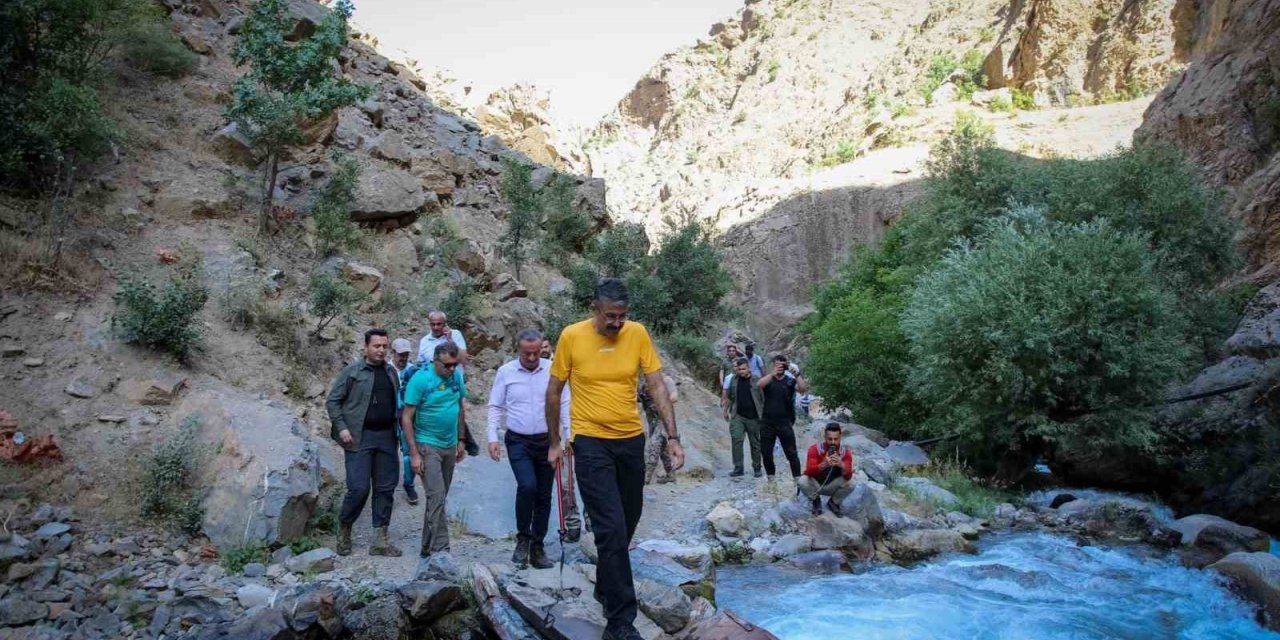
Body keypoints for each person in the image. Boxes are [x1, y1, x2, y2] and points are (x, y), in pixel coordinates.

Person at [546, 278, 684, 640]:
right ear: (595, 308)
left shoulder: (637, 334)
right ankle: (620, 621)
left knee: (629, 521)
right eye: (610, 316)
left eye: (622, 316)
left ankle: (606, 584)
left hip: (630, 441)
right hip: (590, 441)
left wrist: (673, 437)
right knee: (610, 528)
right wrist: (555, 441)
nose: (617, 323)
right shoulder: (571, 337)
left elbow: (655, 385)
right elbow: (554, 390)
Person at [487, 329, 572, 569]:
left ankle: (538, 546)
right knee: (527, 486)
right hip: (518, 441)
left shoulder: (553, 369)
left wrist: (569, 435)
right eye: (527, 354)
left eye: (536, 353)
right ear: (518, 350)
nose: (532, 358)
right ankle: (523, 538)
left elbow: (565, 402)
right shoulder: (506, 372)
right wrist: (492, 437)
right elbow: (495, 405)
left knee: (544, 494)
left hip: (548, 440)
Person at [324, 329, 403, 557]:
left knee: (385, 488)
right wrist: (342, 428)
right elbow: (333, 401)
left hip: (387, 437)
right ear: (366, 347)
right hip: (359, 437)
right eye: (376, 346)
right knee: (358, 488)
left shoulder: (391, 372)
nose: (380, 350)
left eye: (384, 346)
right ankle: (344, 527)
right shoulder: (353, 372)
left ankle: (380, 540)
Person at [401, 342, 468, 560]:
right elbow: (407, 418)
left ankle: (426, 546)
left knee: (437, 497)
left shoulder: (456, 377)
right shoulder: (420, 380)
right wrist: (414, 453)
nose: (451, 370)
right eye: (447, 366)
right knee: (436, 495)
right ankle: (442, 550)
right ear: (435, 361)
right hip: (426, 444)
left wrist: (461, 438)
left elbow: (459, 407)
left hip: (449, 444)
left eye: (454, 365)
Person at [758, 354, 807, 482]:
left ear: (786, 365)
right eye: (777, 364)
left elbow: (802, 389)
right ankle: (771, 480)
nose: (779, 367)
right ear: (773, 365)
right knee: (766, 453)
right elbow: (759, 385)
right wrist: (772, 374)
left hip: (785, 422)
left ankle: (798, 481)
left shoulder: (790, 381)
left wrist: (797, 374)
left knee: (791, 453)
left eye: (782, 364)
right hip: (767, 422)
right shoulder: (768, 380)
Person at [390, 338, 420, 506]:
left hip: (408, 416)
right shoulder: (386, 369)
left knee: (409, 453)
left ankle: (409, 484)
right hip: (388, 417)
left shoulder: (413, 371)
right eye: (400, 354)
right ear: (393, 353)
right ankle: (386, 486)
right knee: (388, 453)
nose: (403, 358)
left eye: (406, 354)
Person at [800, 423, 854, 516]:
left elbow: (848, 476)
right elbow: (808, 471)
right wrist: (824, 464)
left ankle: (833, 502)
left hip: (832, 485)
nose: (833, 442)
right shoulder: (814, 449)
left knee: (852, 483)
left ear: (840, 437)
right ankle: (816, 500)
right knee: (802, 481)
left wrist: (841, 464)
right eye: (830, 439)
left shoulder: (845, 452)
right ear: (825, 437)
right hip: (817, 485)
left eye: (836, 439)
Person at [723, 357, 764, 478]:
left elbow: (763, 398)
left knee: (755, 443)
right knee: (736, 440)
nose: (741, 371)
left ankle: (757, 467)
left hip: (754, 417)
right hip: (738, 415)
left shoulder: (757, 380)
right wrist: (725, 411)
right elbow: (730, 397)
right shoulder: (734, 380)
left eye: (743, 369)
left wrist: (765, 415)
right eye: (739, 369)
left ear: (749, 368)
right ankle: (738, 467)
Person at [641, 372, 679, 484]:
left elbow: (674, 396)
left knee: (654, 445)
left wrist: (660, 403)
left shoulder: (666, 380)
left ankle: (646, 477)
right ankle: (671, 474)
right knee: (663, 448)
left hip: (662, 419)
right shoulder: (644, 383)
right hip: (652, 420)